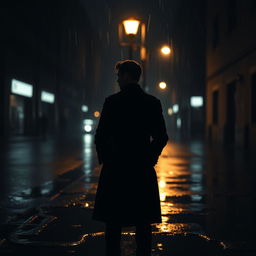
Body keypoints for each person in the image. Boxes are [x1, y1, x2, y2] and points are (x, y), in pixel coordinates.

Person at [93, 60, 169, 256]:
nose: (118, 80)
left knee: (113, 223)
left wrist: (108, 159)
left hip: (116, 170)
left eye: (119, 76)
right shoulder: (152, 103)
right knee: (143, 222)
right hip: (141, 170)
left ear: (126, 75)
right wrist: (149, 157)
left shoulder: (112, 102)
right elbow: (161, 136)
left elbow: (100, 137)